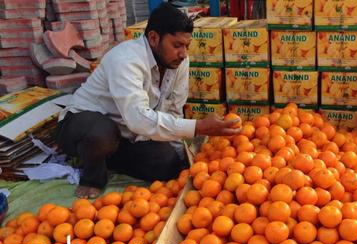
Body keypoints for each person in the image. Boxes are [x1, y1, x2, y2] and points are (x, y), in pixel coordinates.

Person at [56, 3, 240, 199]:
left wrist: (185, 159)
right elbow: (138, 119)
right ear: (153, 38)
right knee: (102, 133)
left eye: (186, 45)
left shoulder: (179, 62)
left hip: (126, 135)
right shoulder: (126, 60)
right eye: (176, 45)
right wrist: (198, 126)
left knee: (167, 164)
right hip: (81, 126)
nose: (183, 53)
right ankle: (91, 177)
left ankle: (109, 158)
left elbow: (173, 110)